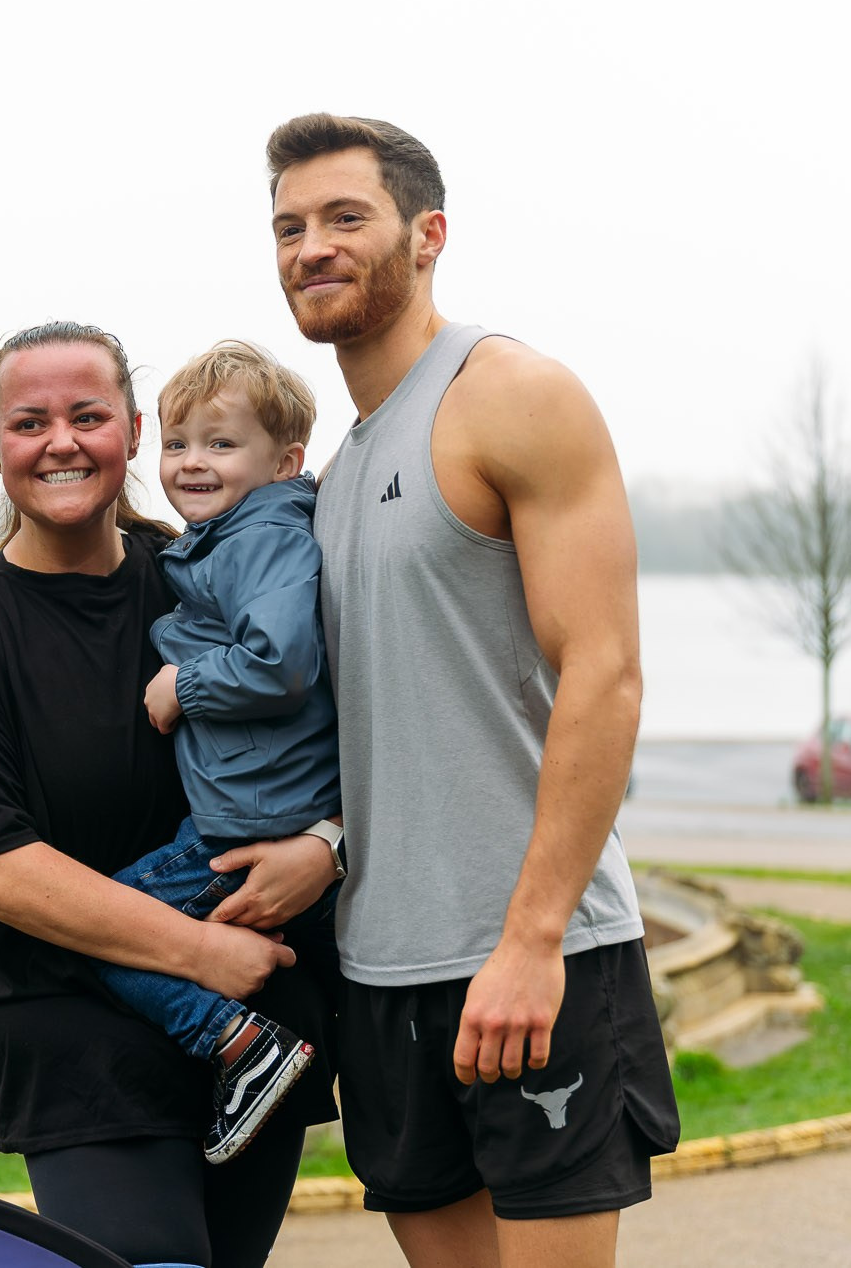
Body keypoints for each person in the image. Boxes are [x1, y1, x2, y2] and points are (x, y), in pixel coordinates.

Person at [267, 113, 680, 1266]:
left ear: (426, 233)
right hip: (380, 965)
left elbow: (604, 674)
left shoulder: (511, 395)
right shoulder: (343, 469)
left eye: (344, 217)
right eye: (289, 227)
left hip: (533, 954)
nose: (311, 247)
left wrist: (532, 937)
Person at [0, 321, 341, 1268]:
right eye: (30, 421)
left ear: (134, 433)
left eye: (87, 416)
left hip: (260, 1015)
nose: (60, 441)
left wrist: (329, 843)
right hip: (72, 1023)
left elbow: (337, 719)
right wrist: (203, 954)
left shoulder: (200, 577)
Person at [94, 340, 344, 1166]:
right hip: (248, 807)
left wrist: (181, 686)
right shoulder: (231, 536)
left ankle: (239, 1043)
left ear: (286, 460)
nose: (192, 462)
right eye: (177, 443)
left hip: (247, 822)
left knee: (93, 930)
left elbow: (279, 660)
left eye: (220, 443)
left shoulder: (262, 539)